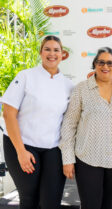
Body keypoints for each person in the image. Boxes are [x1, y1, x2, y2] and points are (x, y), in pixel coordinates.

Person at [1, 35, 73, 209]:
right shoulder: (26, 76)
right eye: (47, 49)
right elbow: (8, 114)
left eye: (56, 50)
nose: (52, 54)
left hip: (53, 148)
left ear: (62, 54)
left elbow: (69, 122)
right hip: (23, 145)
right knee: (29, 198)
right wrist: (21, 151)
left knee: (51, 201)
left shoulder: (68, 85)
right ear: (40, 52)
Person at [59, 47, 112, 209]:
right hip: (87, 160)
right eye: (101, 62)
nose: (105, 66)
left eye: (110, 63)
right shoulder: (81, 90)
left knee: (107, 205)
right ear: (94, 64)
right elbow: (69, 125)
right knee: (90, 205)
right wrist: (68, 160)